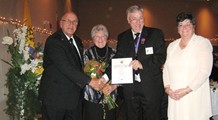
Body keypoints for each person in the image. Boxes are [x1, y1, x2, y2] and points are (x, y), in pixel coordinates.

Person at [38, 11, 105, 120]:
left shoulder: (77, 41)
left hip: (74, 98)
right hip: (56, 98)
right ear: (61, 23)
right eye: (68, 21)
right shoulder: (54, 41)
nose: (71, 24)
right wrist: (91, 81)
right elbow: (65, 66)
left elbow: (79, 65)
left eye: (74, 22)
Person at [104, 5, 166, 120]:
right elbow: (118, 60)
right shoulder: (123, 37)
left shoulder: (155, 34)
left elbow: (161, 57)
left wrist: (143, 64)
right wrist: (109, 80)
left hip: (151, 88)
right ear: (128, 20)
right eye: (134, 19)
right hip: (130, 89)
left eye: (141, 18)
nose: (138, 22)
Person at [163, 12, 213, 120]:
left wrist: (186, 90)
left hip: (194, 96)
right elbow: (166, 69)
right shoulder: (172, 46)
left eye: (187, 24)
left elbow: (205, 72)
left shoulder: (202, 43)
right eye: (180, 25)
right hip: (175, 97)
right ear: (177, 28)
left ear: (193, 26)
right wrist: (167, 89)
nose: (184, 28)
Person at [83, 24, 117, 120]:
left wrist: (113, 86)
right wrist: (95, 84)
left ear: (107, 38)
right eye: (97, 36)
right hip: (91, 96)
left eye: (103, 36)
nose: (100, 39)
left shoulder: (115, 53)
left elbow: (120, 74)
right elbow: (82, 74)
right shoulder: (86, 53)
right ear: (93, 38)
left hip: (109, 94)